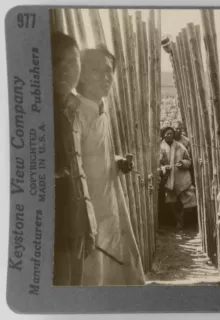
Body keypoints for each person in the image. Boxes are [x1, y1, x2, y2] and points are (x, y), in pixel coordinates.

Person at [70, 47, 145, 285]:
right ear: (80, 73)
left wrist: (117, 161)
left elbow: (97, 154)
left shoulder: (101, 110)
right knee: (94, 269)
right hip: (88, 205)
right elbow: (75, 162)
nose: (106, 77)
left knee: (115, 265)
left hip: (109, 199)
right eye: (97, 70)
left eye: (109, 71)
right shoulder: (76, 113)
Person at [52, 31, 95, 286]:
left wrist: (88, 222)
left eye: (73, 61)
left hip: (77, 219)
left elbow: (79, 168)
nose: (67, 69)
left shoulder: (74, 108)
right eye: (59, 61)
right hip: (56, 225)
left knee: (73, 288)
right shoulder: (42, 111)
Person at [158, 126, 196, 229]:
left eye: (171, 133)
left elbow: (188, 160)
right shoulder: (160, 148)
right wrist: (164, 168)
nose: (169, 135)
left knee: (187, 199)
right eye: (167, 134)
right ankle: (177, 220)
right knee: (172, 201)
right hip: (168, 178)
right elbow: (158, 164)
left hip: (181, 177)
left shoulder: (180, 146)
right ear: (163, 135)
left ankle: (182, 219)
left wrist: (182, 163)